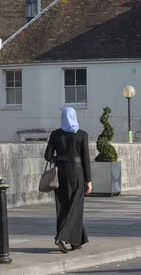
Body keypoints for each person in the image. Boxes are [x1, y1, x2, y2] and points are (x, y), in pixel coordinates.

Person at [43, 107, 92, 253]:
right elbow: (86, 159)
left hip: (60, 174)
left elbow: (47, 156)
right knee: (75, 207)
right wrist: (88, 181)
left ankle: (77, 241)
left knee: (63, 207)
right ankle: (61, 237)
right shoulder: (82, 135)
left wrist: (59, 156)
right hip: (77, 173)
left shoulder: (55, 134)